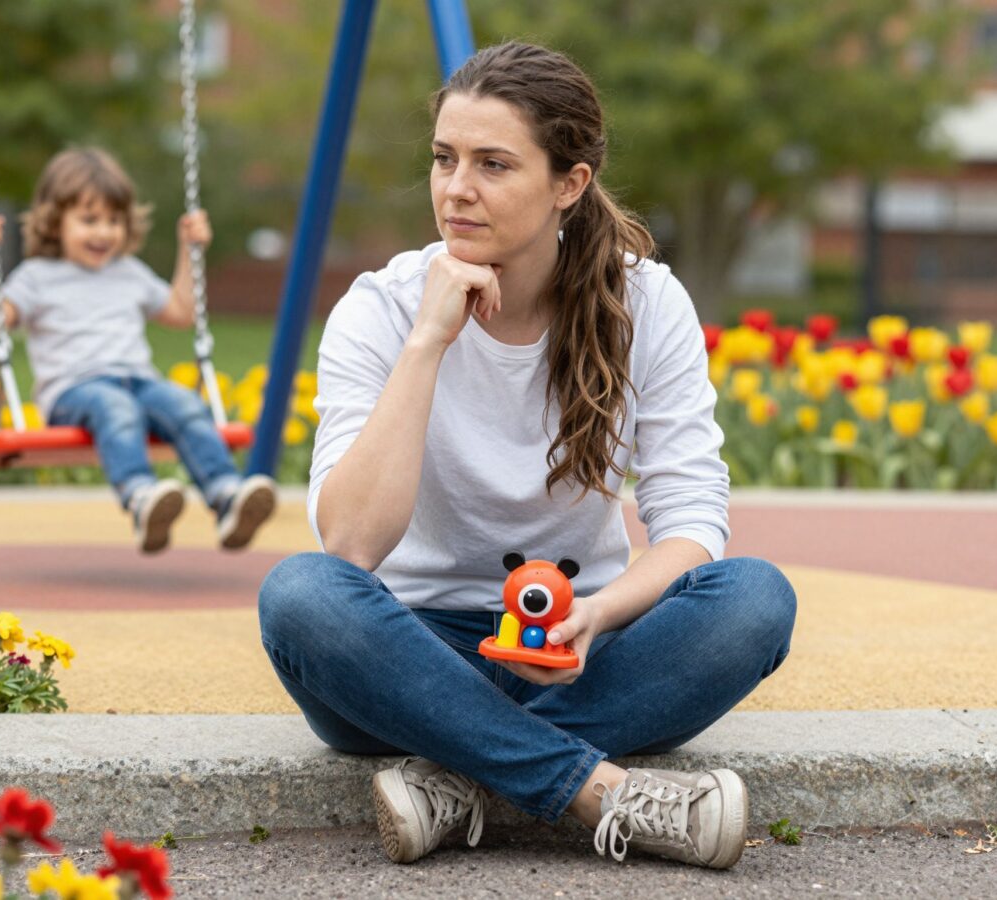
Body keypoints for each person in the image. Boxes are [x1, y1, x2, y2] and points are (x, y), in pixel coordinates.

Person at [258, 41, 797, 869]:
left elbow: (691, 521)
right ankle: (601, 794)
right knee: (300, 595)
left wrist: (601, 614)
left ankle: (458, 776)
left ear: (568, 184)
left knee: (755, 600)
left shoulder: (644, 301)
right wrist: (428, 343)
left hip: (579, 648)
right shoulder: (381, 309)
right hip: (407, 650)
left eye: (493, 164)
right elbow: (353, 546)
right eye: (444, 159)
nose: (455, 189)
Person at [0, 147, 276, 554]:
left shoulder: (128, 272)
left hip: (138, 382)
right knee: (115, 407)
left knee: (184, 404)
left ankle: (226, 496)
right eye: (89, 219)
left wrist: (189, 250)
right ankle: (140, 497)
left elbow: (180, 311)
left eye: (114, 220)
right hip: (75, 391)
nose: (104, 232)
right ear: (54, 221)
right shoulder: (37, 277)